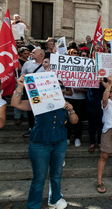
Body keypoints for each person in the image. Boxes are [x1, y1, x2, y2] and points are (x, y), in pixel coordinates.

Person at [11, 76, 78, 209]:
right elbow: (15, 104)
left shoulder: (65, 104)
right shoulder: (38, 102)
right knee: (39, 178)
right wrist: (19, 86)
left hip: (60, 143)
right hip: (39, 144)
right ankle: (33, 205)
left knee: (56, 174)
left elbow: (75, 121)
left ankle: (55, 199)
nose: (59, 89)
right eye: (55, 86)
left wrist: (71, 110)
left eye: (61, 87)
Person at [21, 49, 45, 137]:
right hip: (32, 92)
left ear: (41, 55)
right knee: (31, 111)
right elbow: (22, 74)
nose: (31, 53)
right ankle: (31, 128)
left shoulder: (47, 64)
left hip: (44, 93)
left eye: (34, 52)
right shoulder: (27, 63)